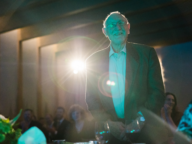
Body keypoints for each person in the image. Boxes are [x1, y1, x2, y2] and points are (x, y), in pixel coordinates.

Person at [85, 11, 165, 144]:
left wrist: (140, 121)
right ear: (104, 32)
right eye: (112, 25)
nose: (117, 28)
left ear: (128, 28)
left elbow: (157, 93)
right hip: (111, 135)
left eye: (121, 23)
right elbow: (91, 98)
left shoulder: (147, 54)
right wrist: (108, 123)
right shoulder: (93, 60)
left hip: (145, 133)